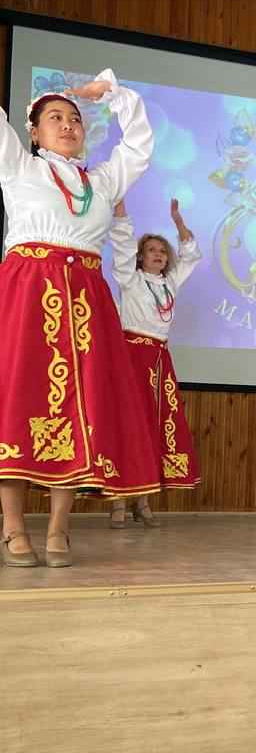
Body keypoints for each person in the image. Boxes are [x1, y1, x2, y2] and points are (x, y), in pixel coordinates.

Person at [0, 70, 158, 568]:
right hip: (29, 293)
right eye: (55, 118)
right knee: (18, 402)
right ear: (33, 131)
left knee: (80, 409)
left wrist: (112, 94)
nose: (68, 125)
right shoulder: (19, 167)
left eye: (74, 119)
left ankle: (58, 528)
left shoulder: (101, 182)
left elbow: (139, 146)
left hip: (86, 302)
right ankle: (12, 527)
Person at [108, 198, 202, 528]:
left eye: (162, 251)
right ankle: (118, 503)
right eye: (151, 250)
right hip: (132, 357)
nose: (158, 255)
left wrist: (178, 222)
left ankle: (143, 502)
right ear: (140, 256)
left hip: (159, 361)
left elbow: (190, 253)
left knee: (154, 429)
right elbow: (121, 246)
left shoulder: (169, 283)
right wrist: (120, 209)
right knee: (127, 427)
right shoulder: (130, 279)